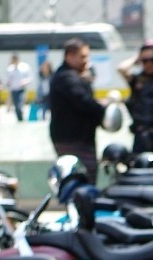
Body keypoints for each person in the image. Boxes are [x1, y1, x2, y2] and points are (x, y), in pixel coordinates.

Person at [49, 39, 105, 178]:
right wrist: (103, 109)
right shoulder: (66, 78)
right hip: (73, 140)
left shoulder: (70, 76)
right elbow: (84, 102)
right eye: (82, 57)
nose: (86, 61)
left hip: (78, 138)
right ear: (69, 56)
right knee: (80, 179)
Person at [5, 54, 32, 121]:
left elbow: (30, 77)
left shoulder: (24, 67)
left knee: (19, 106)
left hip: (21, 90)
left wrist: (25, 81)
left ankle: (21, 119)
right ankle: (20, 120)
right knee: (16, 107)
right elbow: (7, 80)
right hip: (14, 90)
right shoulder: (10, 69)